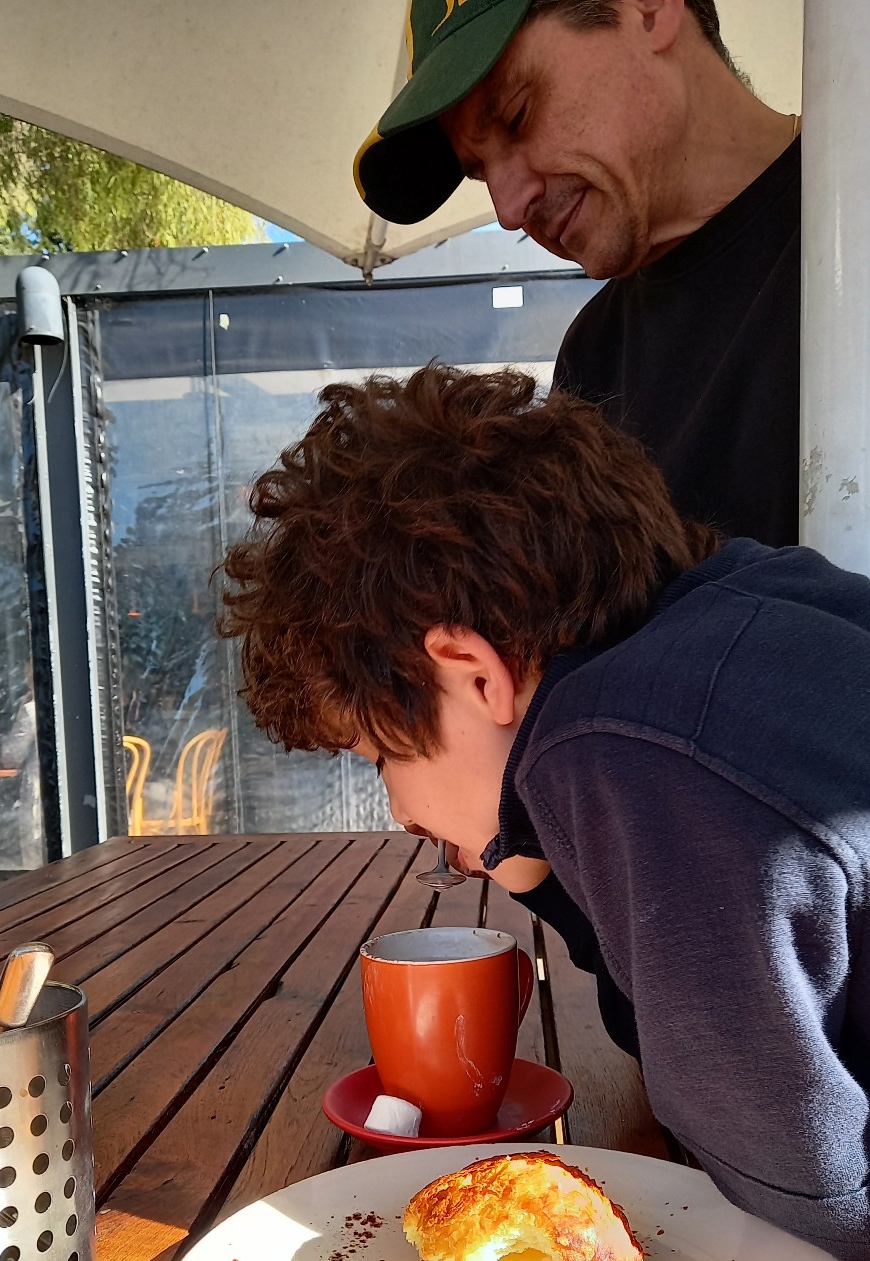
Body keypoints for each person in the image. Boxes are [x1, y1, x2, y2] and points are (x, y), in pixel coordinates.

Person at [219, 365, 870, 1261]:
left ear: (473, 672)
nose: (400, 811)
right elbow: (671, 1007)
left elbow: (799, 1193)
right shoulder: (759, 603)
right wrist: (532, 858)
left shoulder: (623, 748)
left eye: (377, 757)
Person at [354, 0, 803, 1059]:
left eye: (518, 114)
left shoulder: (848, 225)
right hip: (719, 1055)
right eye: (480, 169)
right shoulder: (595, 364)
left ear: (650, 10)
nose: (510, 203)